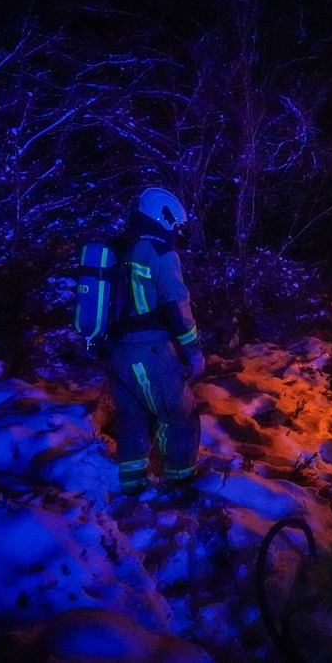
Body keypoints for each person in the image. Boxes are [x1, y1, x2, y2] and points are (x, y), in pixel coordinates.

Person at [107, 187, 205, 498]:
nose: (177, 232)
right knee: (178, 416)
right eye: (176, 225)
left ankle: (132, 490)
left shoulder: (119, 249)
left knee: (133, 418)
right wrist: (194, 353)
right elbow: (176, 305)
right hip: (149, 351)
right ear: (163, 218)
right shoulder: (161, 253)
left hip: (116, 353)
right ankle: (180, 486)